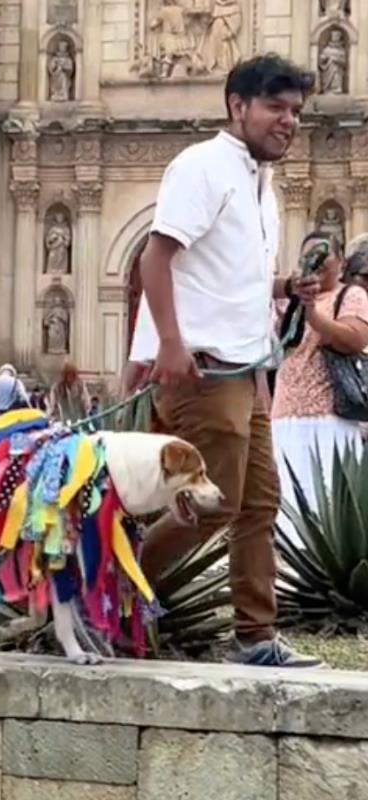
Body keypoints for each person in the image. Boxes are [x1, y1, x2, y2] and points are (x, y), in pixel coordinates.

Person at [129, 54, 322, 667]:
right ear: (237, 106)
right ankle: (107, 587)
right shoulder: (203, 167)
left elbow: (227, 280)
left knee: (259, 505)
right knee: (209, 508)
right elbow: (153, 261)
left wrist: (287, 287)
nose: (288, 121)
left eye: (295, 110)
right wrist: (169, 344)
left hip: (246, 374)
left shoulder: (259, 183)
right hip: (206, 372)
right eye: (275, 107)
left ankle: (255, 638)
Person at [272, 232, 368, 541]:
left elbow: (354, 339)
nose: (315, 263)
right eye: (308, 257)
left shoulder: (351, 295)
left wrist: (313, 313)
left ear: (339, 263)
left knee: (328, 504)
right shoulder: (288, 300)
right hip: (287, 414)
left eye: (322, 256)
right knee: (288, 508)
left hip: (331, 417)